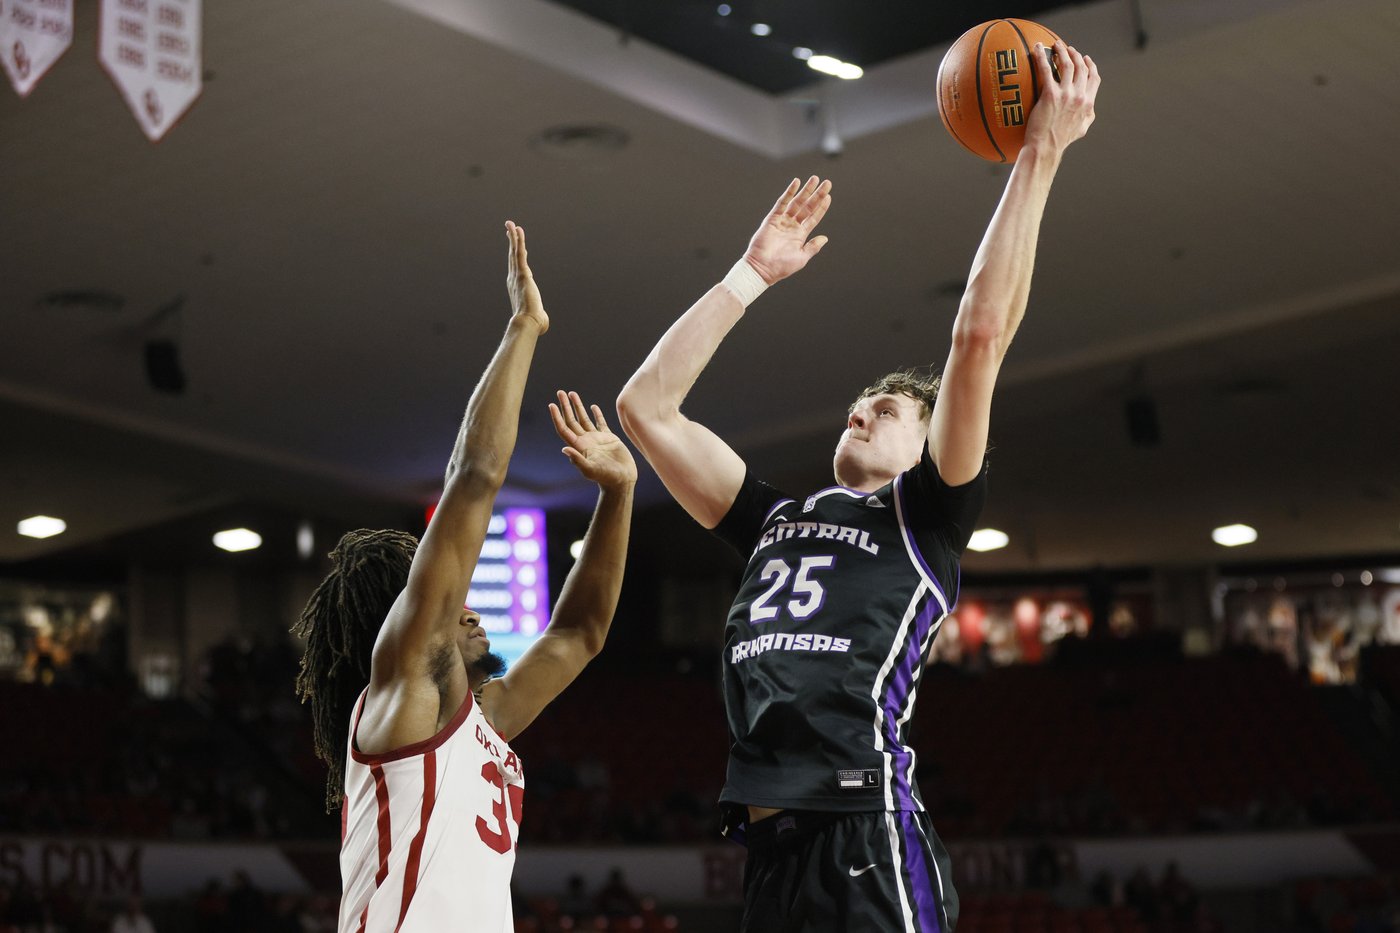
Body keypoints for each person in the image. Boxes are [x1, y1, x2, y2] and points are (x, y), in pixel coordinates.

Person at [616, 40, 1100, 933]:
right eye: (852, 407)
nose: (859, 415)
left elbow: (979, 337)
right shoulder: (772, 519)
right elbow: (646, 407)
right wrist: (748, 277)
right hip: (767, 848)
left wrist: (1038, 155)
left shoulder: (926, 513)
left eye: (883, 408)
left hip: (863, 832)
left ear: (928, 443)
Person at [293, 222, 637, 933]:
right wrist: (523, 328)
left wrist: (620, 493)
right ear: (408, 618)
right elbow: (474, 476)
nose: (473, 614)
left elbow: (580, 633)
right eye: (458, 608)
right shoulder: (404, 684)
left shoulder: (479, 722)